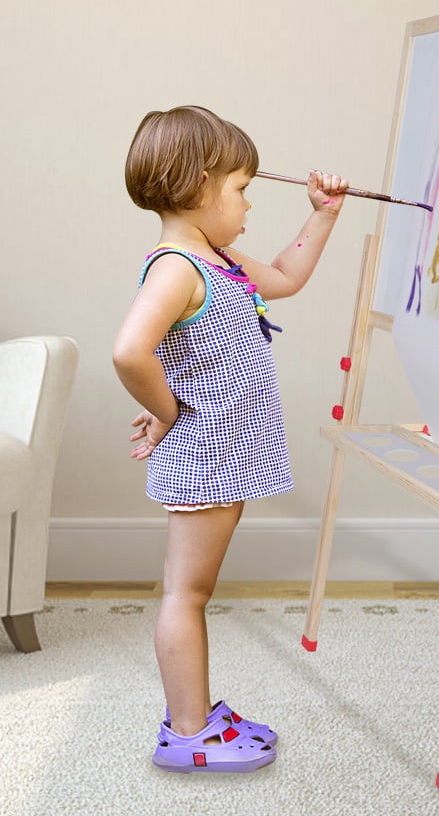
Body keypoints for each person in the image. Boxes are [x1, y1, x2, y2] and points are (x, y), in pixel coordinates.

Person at [113, 106, 349, 771]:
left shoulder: (212, 257)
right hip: (206, 454)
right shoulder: (176, 268)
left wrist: (323, 214)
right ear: (198, 187)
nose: (248, 205)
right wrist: (166, 410)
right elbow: (131, 351)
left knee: (192, 589)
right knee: (185, 593)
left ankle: (194, 712)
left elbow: (285, 277)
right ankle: (187, 730)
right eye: (241, 189)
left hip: (223, 454)